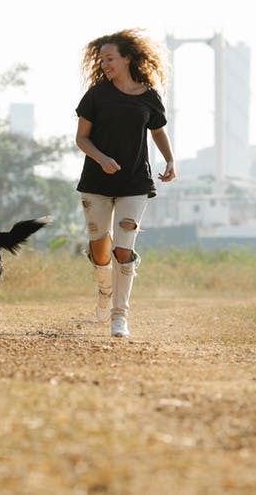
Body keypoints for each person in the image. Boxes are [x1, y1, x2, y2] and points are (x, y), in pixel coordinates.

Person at [74, 29, 176, 337]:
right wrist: (102, 159)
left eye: (111, 58)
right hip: (96, 183)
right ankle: (105, 291)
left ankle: (120, 315)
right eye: (102, 59)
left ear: (127, 58)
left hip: (135, 183)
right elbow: (82, 138)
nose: (105, 64)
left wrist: (170, 160)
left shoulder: (148, 96)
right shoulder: (96, 95)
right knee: (100, 250)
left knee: (123, 248)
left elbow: (157, 131)